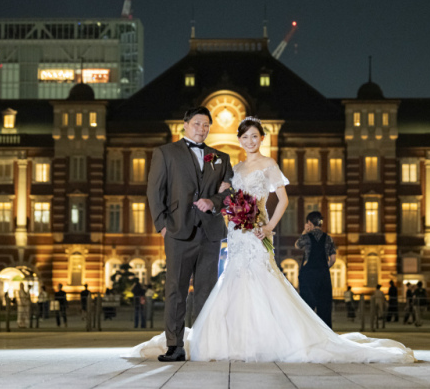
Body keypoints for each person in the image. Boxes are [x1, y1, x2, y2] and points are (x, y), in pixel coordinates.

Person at [127, 116, 414, 364]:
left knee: (261, 280)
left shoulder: (269, 164)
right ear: (239, 140)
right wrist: (222, 198)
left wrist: (269, 227)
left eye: (254, 136)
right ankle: (234, 340)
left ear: (262, 138)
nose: (250, 141)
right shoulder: (235, 167)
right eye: (245, 137)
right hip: (235, 233)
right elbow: (225, 196)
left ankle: (268, 340)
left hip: (257, 232)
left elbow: (283, 199)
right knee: (233, 281)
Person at [145, 107, 234, 362]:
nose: (201, 129)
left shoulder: (221, 157)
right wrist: (162, 225)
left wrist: (213, 201)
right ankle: (175, 346)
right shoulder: (165, 153)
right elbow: (154, 191)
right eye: (197, 123)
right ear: (185, 124)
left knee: (207, 290)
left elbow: (231, 191)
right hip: (177, 230)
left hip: (211, 232)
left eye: (206, 125)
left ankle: (204, 344)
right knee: (176, 289)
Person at [296, 211, 337, 328]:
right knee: (324, 309)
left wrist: (305, 231)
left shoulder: (307, 237)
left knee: (307, 307)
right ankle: (325, 334)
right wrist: (324, 268)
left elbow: (297, 245)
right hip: (323, 276)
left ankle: (307, 332)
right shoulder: (328, 238)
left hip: (309, 276)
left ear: (309, 223)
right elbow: (333, 259)